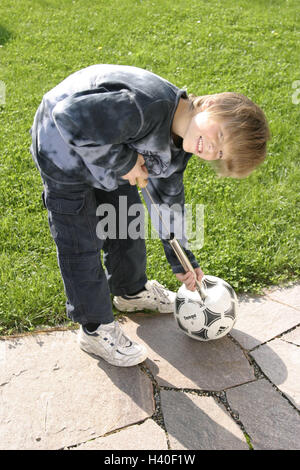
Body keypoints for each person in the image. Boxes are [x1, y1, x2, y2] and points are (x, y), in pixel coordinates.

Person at [30, 64, 270, 367]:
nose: (211, 149)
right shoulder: (145, 106)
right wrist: (125, 160)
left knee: (125, 221)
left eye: (220, 153)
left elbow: (167, 204)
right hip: (61, 150)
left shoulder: (182, 144)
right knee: (81, 239)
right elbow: (68, 117)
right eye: (219, 134)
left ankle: (130, 292)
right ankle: (93, 328)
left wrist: (184, 261)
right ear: (208, 105)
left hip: (110, 152)